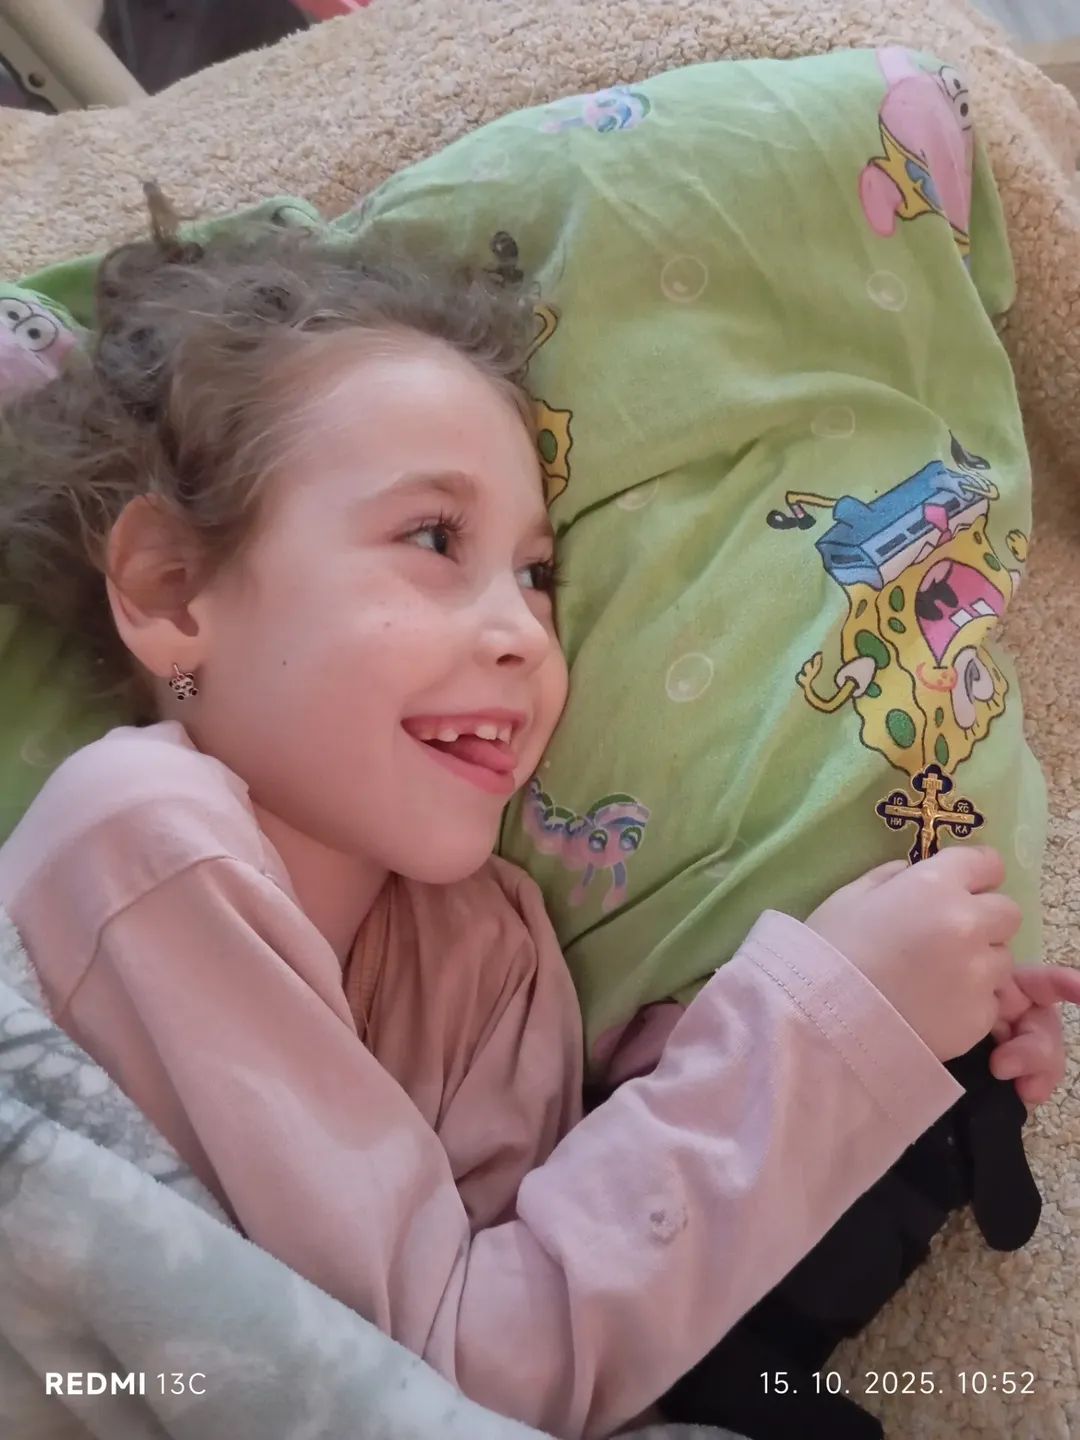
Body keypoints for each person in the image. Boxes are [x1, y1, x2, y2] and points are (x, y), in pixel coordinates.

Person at [0, 194, 1076, 1440]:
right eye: (432, 536)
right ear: (174, 592)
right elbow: (449, 1377)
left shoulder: (486, 944)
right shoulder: (140, 831)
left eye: (538, 574)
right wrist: (821, 1033)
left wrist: (899, 1068)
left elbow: (576, 1283)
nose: (521, 632)